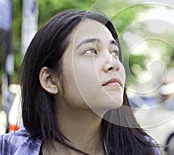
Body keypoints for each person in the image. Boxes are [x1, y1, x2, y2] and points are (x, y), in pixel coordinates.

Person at [0, 10, 161, 155]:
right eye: (91, 51)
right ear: (50, 80)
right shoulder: (8, 149)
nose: (113, 63)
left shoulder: (145, 150)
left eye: (114, 52)